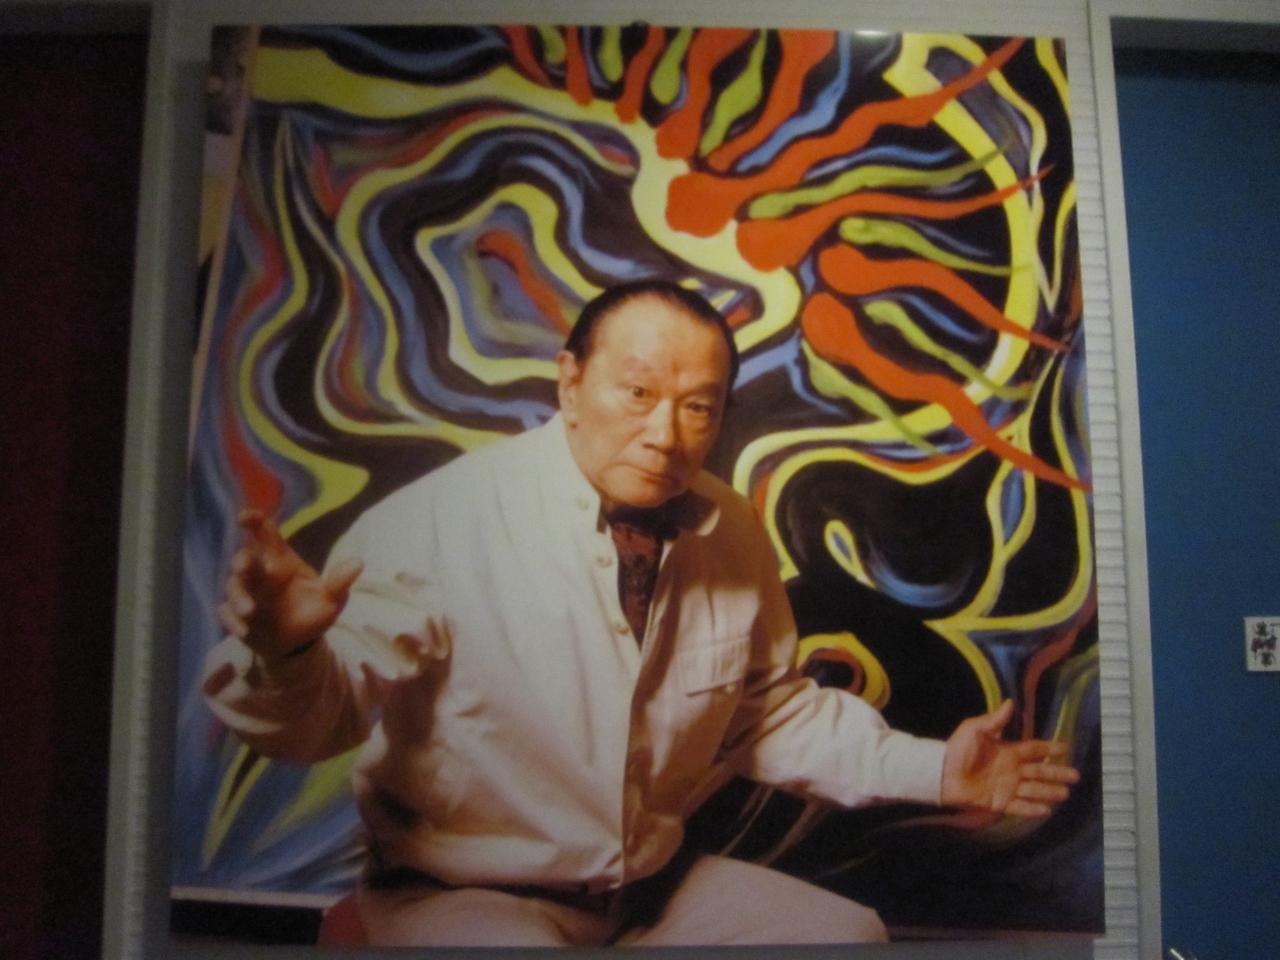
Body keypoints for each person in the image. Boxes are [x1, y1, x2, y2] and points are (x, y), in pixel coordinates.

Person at [203, 280, 1079, 946]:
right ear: (569, 382)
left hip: (649, 893)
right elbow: (326, 718)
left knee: (848, 937)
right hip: (465, 897)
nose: (666, 434)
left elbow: (770, 716)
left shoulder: (729, 529)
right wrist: (289, 655)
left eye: (698, 407)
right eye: (637, 393)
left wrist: (940, 771)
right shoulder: (440, 522)